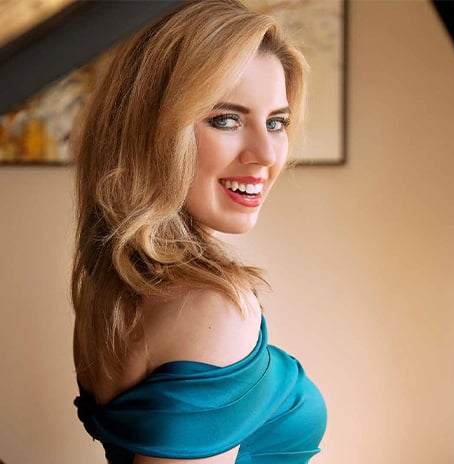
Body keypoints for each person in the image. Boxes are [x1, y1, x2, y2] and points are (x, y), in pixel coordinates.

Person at [71, 1, 327, 463]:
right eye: (225, 119)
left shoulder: (112, 291)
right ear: (150, 131)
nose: (267, 154)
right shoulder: (211, 308)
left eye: (276, 122)